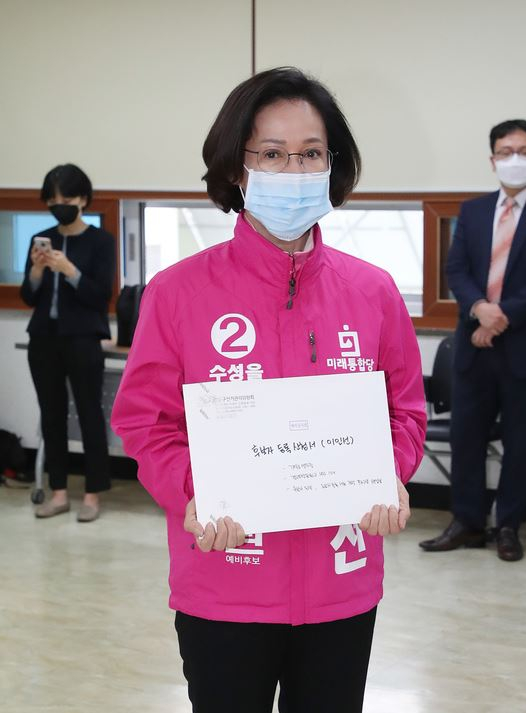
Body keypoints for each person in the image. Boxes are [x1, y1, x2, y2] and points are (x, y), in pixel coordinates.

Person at [111, 67, 426, 713]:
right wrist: (195, 493)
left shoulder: (372, 291)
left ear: (332, 165)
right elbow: (146, 423)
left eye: (311, 154)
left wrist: (386, 474)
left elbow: (405, 411)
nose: (294, 170)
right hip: (225, 579)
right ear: (237, 168)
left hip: (342, 580)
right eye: (273, 154)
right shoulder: (177, 293)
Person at [420, 120, 526, 562]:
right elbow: (457, 269)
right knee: (467, 438)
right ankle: (467, 522)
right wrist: (480, 308)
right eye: (506, 151)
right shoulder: (474, 211)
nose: (515, 159)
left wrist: (499, 317)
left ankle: (508, 526)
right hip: (474, 348)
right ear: (493, 159)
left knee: (521, 445)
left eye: (525, 151)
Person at [21, 164, 115, 522]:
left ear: (83, 200)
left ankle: (93, 494)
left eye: (67, 198)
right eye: (53, 199)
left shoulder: (100, 241)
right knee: (51, 415)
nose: (59, 204)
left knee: (90, 413)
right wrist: (37, 270)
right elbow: (29, 296)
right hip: (43, 339)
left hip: (83, 338)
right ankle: (58, 492)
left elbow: (100, 295)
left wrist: (69, 271)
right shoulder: (40, 238)